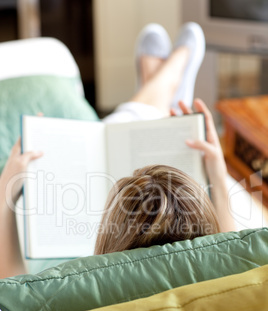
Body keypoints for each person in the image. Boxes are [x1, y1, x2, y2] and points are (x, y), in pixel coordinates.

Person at [0, 22, 235, 278]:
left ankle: (159, 85)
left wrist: (5, 191)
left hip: (63, 250)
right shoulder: (213, 280)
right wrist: (219, 180)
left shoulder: (67, 294)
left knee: (113, 133)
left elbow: (12, 289)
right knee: (131, 140)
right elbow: (233, 258)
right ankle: (162, 86)